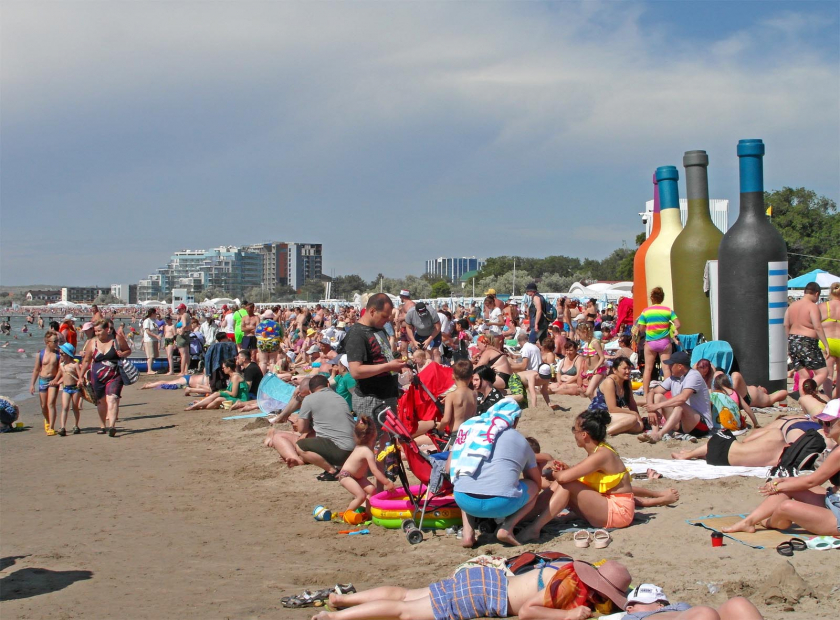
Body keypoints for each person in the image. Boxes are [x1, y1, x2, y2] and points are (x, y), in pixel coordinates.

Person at [312, 558, 632, 620]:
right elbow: (528, 611)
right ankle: (336, 618)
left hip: (486, 579)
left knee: (408, 595)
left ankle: (344, 599)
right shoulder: (569, 589)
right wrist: (568, 616)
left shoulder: (568, 567)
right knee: (405, 612)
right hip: (487, 597)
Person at [723, 399, 840, 536]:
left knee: (786, 506)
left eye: (828, 423)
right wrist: (783, 482)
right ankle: (748, 522)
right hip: (833, 499)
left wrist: (779, 486)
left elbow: (812, 481)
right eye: (822, 422)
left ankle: (771, 522)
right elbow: (813, 479)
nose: (824, 427)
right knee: (788, 486)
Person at [519, 409, 634, 543]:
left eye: (575, 429)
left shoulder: (602, 454)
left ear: (584, 434)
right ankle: (521, 517)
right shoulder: (599, 450)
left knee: (566, 483)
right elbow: (584, 476)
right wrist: (565, 470)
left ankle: (534, 528)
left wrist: (554, 473)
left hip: (619, 512)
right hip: (607, 505)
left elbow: (563, 478)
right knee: (561, 483)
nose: (574, 433)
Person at [451, 419, 541, 548]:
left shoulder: (473, 434)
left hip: (465, 503)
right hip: (501, 504)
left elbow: (449, 468)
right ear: (514, 422)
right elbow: (536, 481)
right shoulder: (519, 439)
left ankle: (467, 534)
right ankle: (506, 528)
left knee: (465, 481)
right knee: (533, 487)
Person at [345, 293, 406, 429]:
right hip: (370, 399)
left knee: (389, 442)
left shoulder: (379, 329)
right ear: (372, 311)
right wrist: (388, 366)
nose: (387, 320)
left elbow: (383, 357)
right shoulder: (357, 334)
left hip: (387, 395)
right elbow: (356, 371)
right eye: (384, 316)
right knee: (373, 443)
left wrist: (397, 363)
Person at [281, 374, 356, 478]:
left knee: (301, 445)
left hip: (341, 452)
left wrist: (301, 422)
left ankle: (332, 472)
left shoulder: (309, 399)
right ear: (328, 385)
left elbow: (302, 429)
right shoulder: (339, 397)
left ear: (310, 391)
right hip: (355, 450)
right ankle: (336, 467)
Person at [640, 352, 712, 444]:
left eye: (671, 365)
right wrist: (651, 408)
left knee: (680, 405)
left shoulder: (694, 376)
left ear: (680, 366)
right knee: (658, 396)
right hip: (681, 422)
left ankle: (659, 434)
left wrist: (657, 406)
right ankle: (655, 431)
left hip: (701, 425)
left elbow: (682, 398)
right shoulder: (673, 378)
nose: (668, 367)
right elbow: (653, 392)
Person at [78, 319, 131, 436]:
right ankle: (102, 425)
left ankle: (112, 426)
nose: (97, 333)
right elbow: (86, 361)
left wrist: (123, 354)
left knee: (112, 398)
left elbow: (128, 350)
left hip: (114, 374)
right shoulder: (92, 343)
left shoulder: (116, 339)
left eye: (99, 330)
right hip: (97, 376)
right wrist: (81, 376)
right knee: (101, 401)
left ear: (107, 330)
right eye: (95, 331)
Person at [337, 418, 395, 520]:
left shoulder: (360, 447)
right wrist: (387, 482)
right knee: (361, 496)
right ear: (374, 434)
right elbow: (374, 470)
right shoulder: (367, 451)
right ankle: (347, 514)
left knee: (372, 490)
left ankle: (369, 514)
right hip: (346, 476)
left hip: (356, 477)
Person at [622, 584, 764, 620]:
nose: (629, 608)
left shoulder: (680, 607)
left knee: (738, 604)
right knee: (704, 613)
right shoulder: (630, 617)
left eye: (633, 604)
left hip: (695, 614)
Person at [785, 281, 830, 394]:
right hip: (807, 343)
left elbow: (786, 324)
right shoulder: (812, 306)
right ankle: (808, 390)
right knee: (823, 373)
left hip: (792, 341)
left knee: (803, 376)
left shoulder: (792, 306)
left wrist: (790, 341)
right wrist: (826, 345)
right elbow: (818, 327)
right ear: (816, 294)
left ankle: (805, 402)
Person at [637, 287, 680, 395]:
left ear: (652, 298)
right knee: (666, 369)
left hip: (651, 342)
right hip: (664, 342)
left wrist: (649, 329)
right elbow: (678, 324)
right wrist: (674, 331)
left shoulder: (646, 311)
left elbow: (641, 328)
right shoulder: (668, 310)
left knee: (648, 369)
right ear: (662, 298)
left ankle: (646, 394)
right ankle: (668, 394)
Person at [589, 356, 643, 436]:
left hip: (612, 414)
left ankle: (615, 428)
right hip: (599, 414)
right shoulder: (609, 382)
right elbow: (612, 408)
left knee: (639, 426)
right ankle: (605, 433)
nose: (628, 371)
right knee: (632, 419)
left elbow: (631, 402)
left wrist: (638, 417)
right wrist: (633, 413)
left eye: (629, 368)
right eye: (624, 369)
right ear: (614, 370)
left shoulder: (626, 382)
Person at [30, 330, 62, 435]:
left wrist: (56, 380)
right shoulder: (40, 354)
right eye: (55, 341)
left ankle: (52, 427)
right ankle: (47, 420)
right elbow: (36, 369)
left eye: (57, 341)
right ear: (47, 342)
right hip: (42, 380)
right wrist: (32, 384)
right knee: (43, 406)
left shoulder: (58, 354)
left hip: (53, 380)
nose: (57, 343)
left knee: (51, 404)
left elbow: (60, 369)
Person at [436, 359, 477, 434]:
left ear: (453, 376)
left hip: (457, 433)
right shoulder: (474, 394)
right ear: (471, 378)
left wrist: (440, 427)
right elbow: (473, 415)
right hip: (469, 431)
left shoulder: (451, 395)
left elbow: (446, 420)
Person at [819, 282, 840, 399]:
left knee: (828, 374)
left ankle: (829, 399)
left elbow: (814, 325)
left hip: (827, 342)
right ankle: (838, 399)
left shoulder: (823, 307)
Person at [57, 342, 82, 436]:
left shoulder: (74, 365)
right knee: (65, 407)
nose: (60, 355)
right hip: (66, 388)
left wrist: (80, 381)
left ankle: (76, 425)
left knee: (75, 407)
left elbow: (80, 377)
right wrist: (57, 382)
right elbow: (63, 376)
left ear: (67, 354)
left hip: (75, 388)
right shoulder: (61, 365)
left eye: (61, 353)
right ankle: (63, 427)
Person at [577, 323, 607, 399]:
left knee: (589, 392)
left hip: (598, 370)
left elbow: (602, 357)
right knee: (593, 394)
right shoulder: (589, 343)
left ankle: (596, 406)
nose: (579, 337)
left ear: (585, 332)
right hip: (592, 371)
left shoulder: (595, 342)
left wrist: (595, 369)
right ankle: (596, 408)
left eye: (579, 335)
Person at [255, 309, 282, 374]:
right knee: (272, 362)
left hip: (262, 343)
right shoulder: (277, 324)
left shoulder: (260, 324)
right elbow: (281, 335)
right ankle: (271, 377)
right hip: (274, 343)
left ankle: (262, 378)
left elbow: (256, 334)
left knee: (263, 362)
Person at [142, 308, 161, 375]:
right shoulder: (147, 321)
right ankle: (149, 370)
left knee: (154, 355)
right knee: (150, 355)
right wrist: (156, 336)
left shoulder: (155, 320)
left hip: (154, 340)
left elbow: (158, 328)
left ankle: (151, 369)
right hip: (149, 339)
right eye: (155, 313)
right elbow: (147, 331)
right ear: (152, 313)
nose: (156, 314)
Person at [175, 303, 193, 373]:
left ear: (183, 309)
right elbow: (190, 327)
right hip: (187, 335)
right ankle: (186, 370)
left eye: (179, 309)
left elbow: (184, 325)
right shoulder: (188, 315)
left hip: (182, 336)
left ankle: (182, 371)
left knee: (183, 354)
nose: (178, 311)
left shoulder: (184, 315)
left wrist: (181, 331)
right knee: (186, 353)